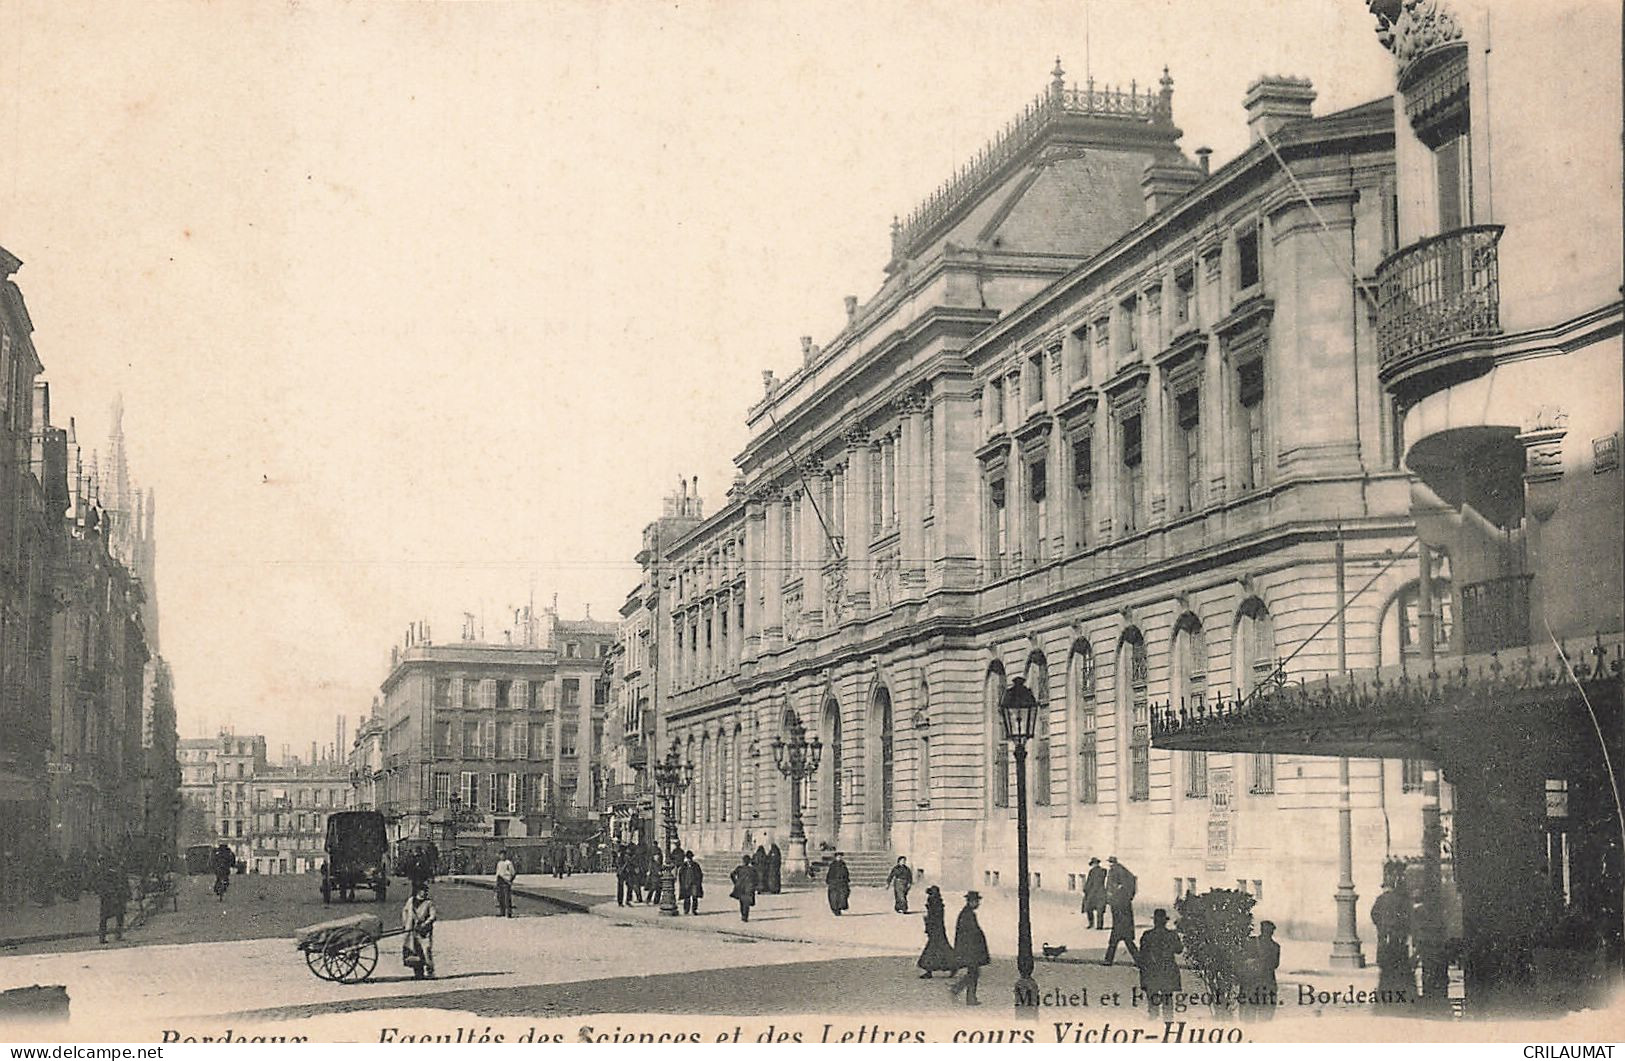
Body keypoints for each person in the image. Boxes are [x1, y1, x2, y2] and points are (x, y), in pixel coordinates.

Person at [1371, 874, 1414, 998]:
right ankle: (1395, 965)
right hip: (1396, 930)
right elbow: (1406, 916)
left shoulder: (1379, 899)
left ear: (1385, 888)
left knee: (1383, 946)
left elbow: (1374, 913)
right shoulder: (1399, 899)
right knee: (1396, 948)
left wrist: (1379, 924)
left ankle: (1383, 963)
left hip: (1384, 929)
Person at [1136, 908, 1183, 1019]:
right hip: (1167, 970)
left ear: (1154, 922)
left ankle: (1153, 1021)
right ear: (1165, 921)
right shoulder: (1171, 935)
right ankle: (1167, 1023)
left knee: (1153, 1002)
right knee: (1167, 1000)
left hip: (1152, 971)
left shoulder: (1147, 935)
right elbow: (1179, 949)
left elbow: (1142, 953)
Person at [949, 891, 990, 1005]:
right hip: (970, 950)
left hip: (970, 949)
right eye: (976, 901)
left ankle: (961, 991)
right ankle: (968, 997)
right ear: (971, 902)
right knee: (974, 972)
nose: (978, 904)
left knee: (973, 972)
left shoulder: (967, 913)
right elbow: (971, 933)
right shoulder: (967, 915)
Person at [1239, 920, 1280, 1021]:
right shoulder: (1275, 947)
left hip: (1252, 981)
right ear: (1272, 932)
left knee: (1249, 1015)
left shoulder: (1252, 942)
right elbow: (1275, 965)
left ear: (1262, 930)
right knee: (1266, 1015)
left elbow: (1243, 958)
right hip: (1268, 982)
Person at [1103, 856, 1139, 965]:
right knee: (1127, 941)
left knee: (1116, 939)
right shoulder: (1122, 870)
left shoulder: (1115, 871)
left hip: (1119, 916)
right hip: (1124, 917)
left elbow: (1114, 886)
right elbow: (1132, 880)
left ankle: (1108, 960)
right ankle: (1139, 960)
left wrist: (1114, 894)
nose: (1109, 864)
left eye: (1110, 862)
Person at [916, 885, 959, 979]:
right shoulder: (937, 903)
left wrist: (928, 924)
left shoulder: (935, 904)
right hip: (937, 929)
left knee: (935, 950)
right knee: (940, 949)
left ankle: (932, 970)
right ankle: (951, 966)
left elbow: (935, 919)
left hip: (936, 930)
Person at [402, 882, 438, 979]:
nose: (425, 893)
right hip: (411, 931)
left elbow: (433, 916)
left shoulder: (429, 903)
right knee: (414, 951)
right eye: (423, 891)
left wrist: (425, 923)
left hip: (424, 932)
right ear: (418, 891)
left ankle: (430, 971)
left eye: (426, 891)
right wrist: (405, 923)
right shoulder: (411, 901)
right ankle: (418, 973)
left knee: (426, 950)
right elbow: (405, 911)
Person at [95, 856, 130, 944]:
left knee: (119, 915)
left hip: (113, 897)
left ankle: (116, 935)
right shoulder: (101, 874)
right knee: (105, 918)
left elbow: (119, 883)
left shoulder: (112, 873)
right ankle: (103, 937)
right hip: (107, 897)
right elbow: (97, 886)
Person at [1081, 857, 1107, 929]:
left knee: (1089, 908)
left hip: (1092, 892)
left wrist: (1085, 890)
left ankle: (1091, 924)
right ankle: (1099, 925)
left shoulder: (1092, 871)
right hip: (1101, 892)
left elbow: (1089, 882)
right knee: (1100, 910)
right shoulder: (1104, 871)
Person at [730, 854, 758, 922]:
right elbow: (756, 879)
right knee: (746, 903)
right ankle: (745, 916)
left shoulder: (740, 868)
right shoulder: (752, 869)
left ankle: (743, 915)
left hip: (741, 887)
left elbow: (732, 874)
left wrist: (736, 882)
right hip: (749, 888)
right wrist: (754, 886)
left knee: (742, 902)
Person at [678, 850, 704, 915]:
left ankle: (694, 910)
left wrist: (698, 882)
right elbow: (681, 875)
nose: (689, 860)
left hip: (694, 884)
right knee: (687, 897)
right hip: (686, 884)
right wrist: (682, 883)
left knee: (695, 897)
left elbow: (700, 874)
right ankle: (686, 910)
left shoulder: (696, 865)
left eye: (690, 858)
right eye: (688, 858)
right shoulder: (684, 866)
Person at [825, 851, 851, 916]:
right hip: (834, 883)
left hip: (842, 883)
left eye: (840, 857)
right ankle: (835, 909)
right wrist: (829, 880)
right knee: (834, 897)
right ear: (836, 857)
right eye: (838, 857)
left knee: (843, 895)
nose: (840, 858)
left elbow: (846, 873)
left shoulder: (843, 865)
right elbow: (830, 873)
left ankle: (840, 907)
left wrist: (846, 879)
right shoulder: (833, 865)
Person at [494, 848, 517, 917]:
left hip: (506, 881)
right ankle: (502, 912)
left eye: (503, 855)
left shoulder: (508, 863)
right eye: (500, 855)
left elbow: (513, 873)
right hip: (500, 881)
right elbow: (498, 873)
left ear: (505, 855)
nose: (502, 856)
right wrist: (496, 882)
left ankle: (509, 913)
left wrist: (510, 880)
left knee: (507, 898)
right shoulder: (499, 863)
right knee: (500, 897)